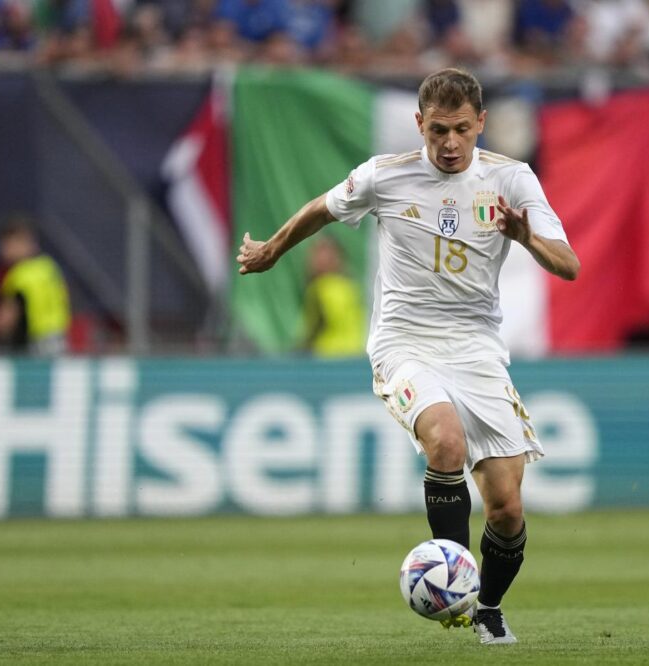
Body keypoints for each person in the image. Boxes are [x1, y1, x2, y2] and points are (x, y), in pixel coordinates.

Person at [236, 67, 579, 645]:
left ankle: (488, 608)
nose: (450, 143)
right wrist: (272, 249)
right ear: (420, 124)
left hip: (477, 348)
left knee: (507, 508)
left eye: (462, 130)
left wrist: (526, 238)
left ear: (481, 124)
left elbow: (568, 265)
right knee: (445, 441)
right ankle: (454, 588)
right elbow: (323, 207)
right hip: (404, 342)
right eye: (438, 130)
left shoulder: (512, 179)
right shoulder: (385, 175)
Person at [0, 214, 71, 355]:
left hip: (35, 342)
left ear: (23, 243)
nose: (2, 251)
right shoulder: (49, 267)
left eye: (6, 245)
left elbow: (8, 315)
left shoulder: (20, 275)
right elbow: (64, 297)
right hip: (58, 339)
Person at [302, 235, 365, 357]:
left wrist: (297, 351)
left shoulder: (317, 288)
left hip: (327, 355)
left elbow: (314, 328)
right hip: (356, 353)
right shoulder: (352, 287)